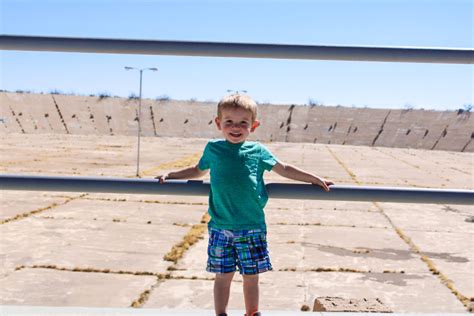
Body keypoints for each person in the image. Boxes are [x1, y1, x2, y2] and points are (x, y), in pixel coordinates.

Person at [156, 93, 334, 316]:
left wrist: (314, 178)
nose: (235, 127)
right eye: (229, 121)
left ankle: (252, 312)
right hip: (220, 227)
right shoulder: (213, 149)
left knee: (251, 277)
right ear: (218, 123)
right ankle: (221, 313)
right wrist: (171, 175)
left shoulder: (258, 151)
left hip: (251, 227)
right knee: (223, 277)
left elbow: (285, 169)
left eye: (243, 122)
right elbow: (196, 170)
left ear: (254, 125)